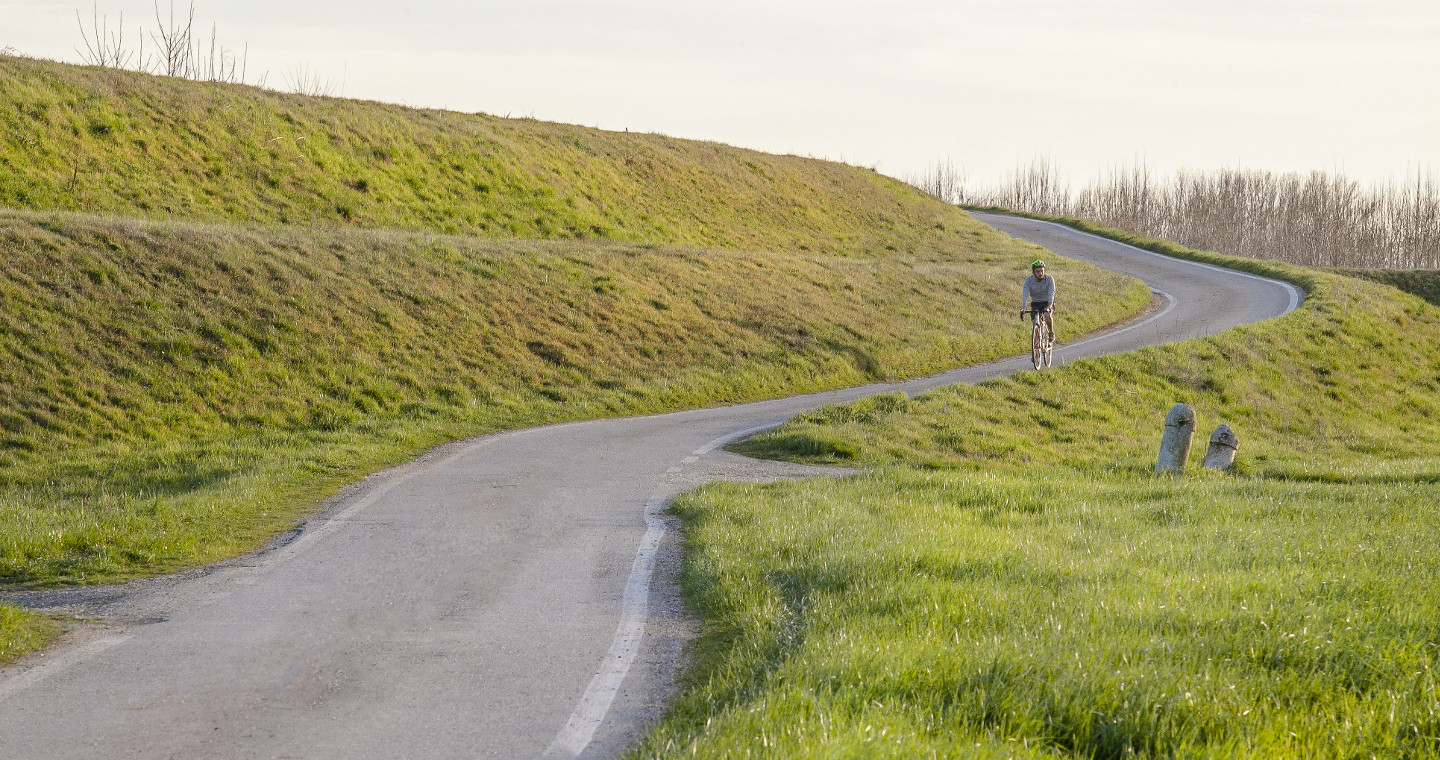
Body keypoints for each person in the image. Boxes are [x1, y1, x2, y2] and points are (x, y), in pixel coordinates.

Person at [1020, 259, 1055, 340]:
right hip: (1035, 303)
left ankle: (1050, 332)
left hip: (1047, 302)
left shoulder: (1049, 279)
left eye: (1042, 271)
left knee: (1047, 315)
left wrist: (1049, 306)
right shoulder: (1028, 281)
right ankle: (1036, 344)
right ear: (1033, 272)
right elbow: (1025, 294)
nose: (1040, 273)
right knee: (1035, 322)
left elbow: (1051, 293)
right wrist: (1024, 308)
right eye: (1038, 271)